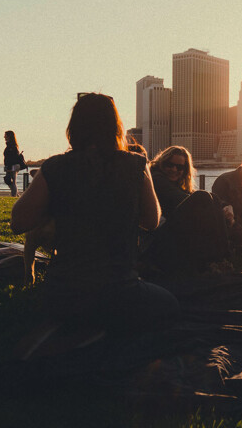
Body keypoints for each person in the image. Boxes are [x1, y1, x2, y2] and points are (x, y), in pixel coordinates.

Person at [10, 93, 178, 335]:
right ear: (116, 127)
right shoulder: (136, 164)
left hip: (64, 295)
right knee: (170, 305)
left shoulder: (54, 167)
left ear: (74, 127)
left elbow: (18, 222)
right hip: (120, 293)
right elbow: (152, 221)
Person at [145, 146, 231, 276]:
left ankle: (222, 256)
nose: (174, 170)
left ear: (185, 170)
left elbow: (190, 195)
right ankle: (220, 258)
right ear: (162, 163)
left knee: (213, 198)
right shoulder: (157, 179)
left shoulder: (176, 184)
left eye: (179, 167)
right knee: (203, 197)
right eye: (170, 165)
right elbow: (182, 199)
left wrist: (226, 206)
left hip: (170, 235)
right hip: (156, 240)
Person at [3, 130, 26, 197]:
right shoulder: (10, 146)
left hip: (13, 166)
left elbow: (12, 158)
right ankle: (17, 194)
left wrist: (9, 167)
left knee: (12, 180)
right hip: (10, 166)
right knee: (9, 180)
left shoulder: (12, 147)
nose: (4, 137)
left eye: (5, 135)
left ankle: (14, 195)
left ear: (9, 136)